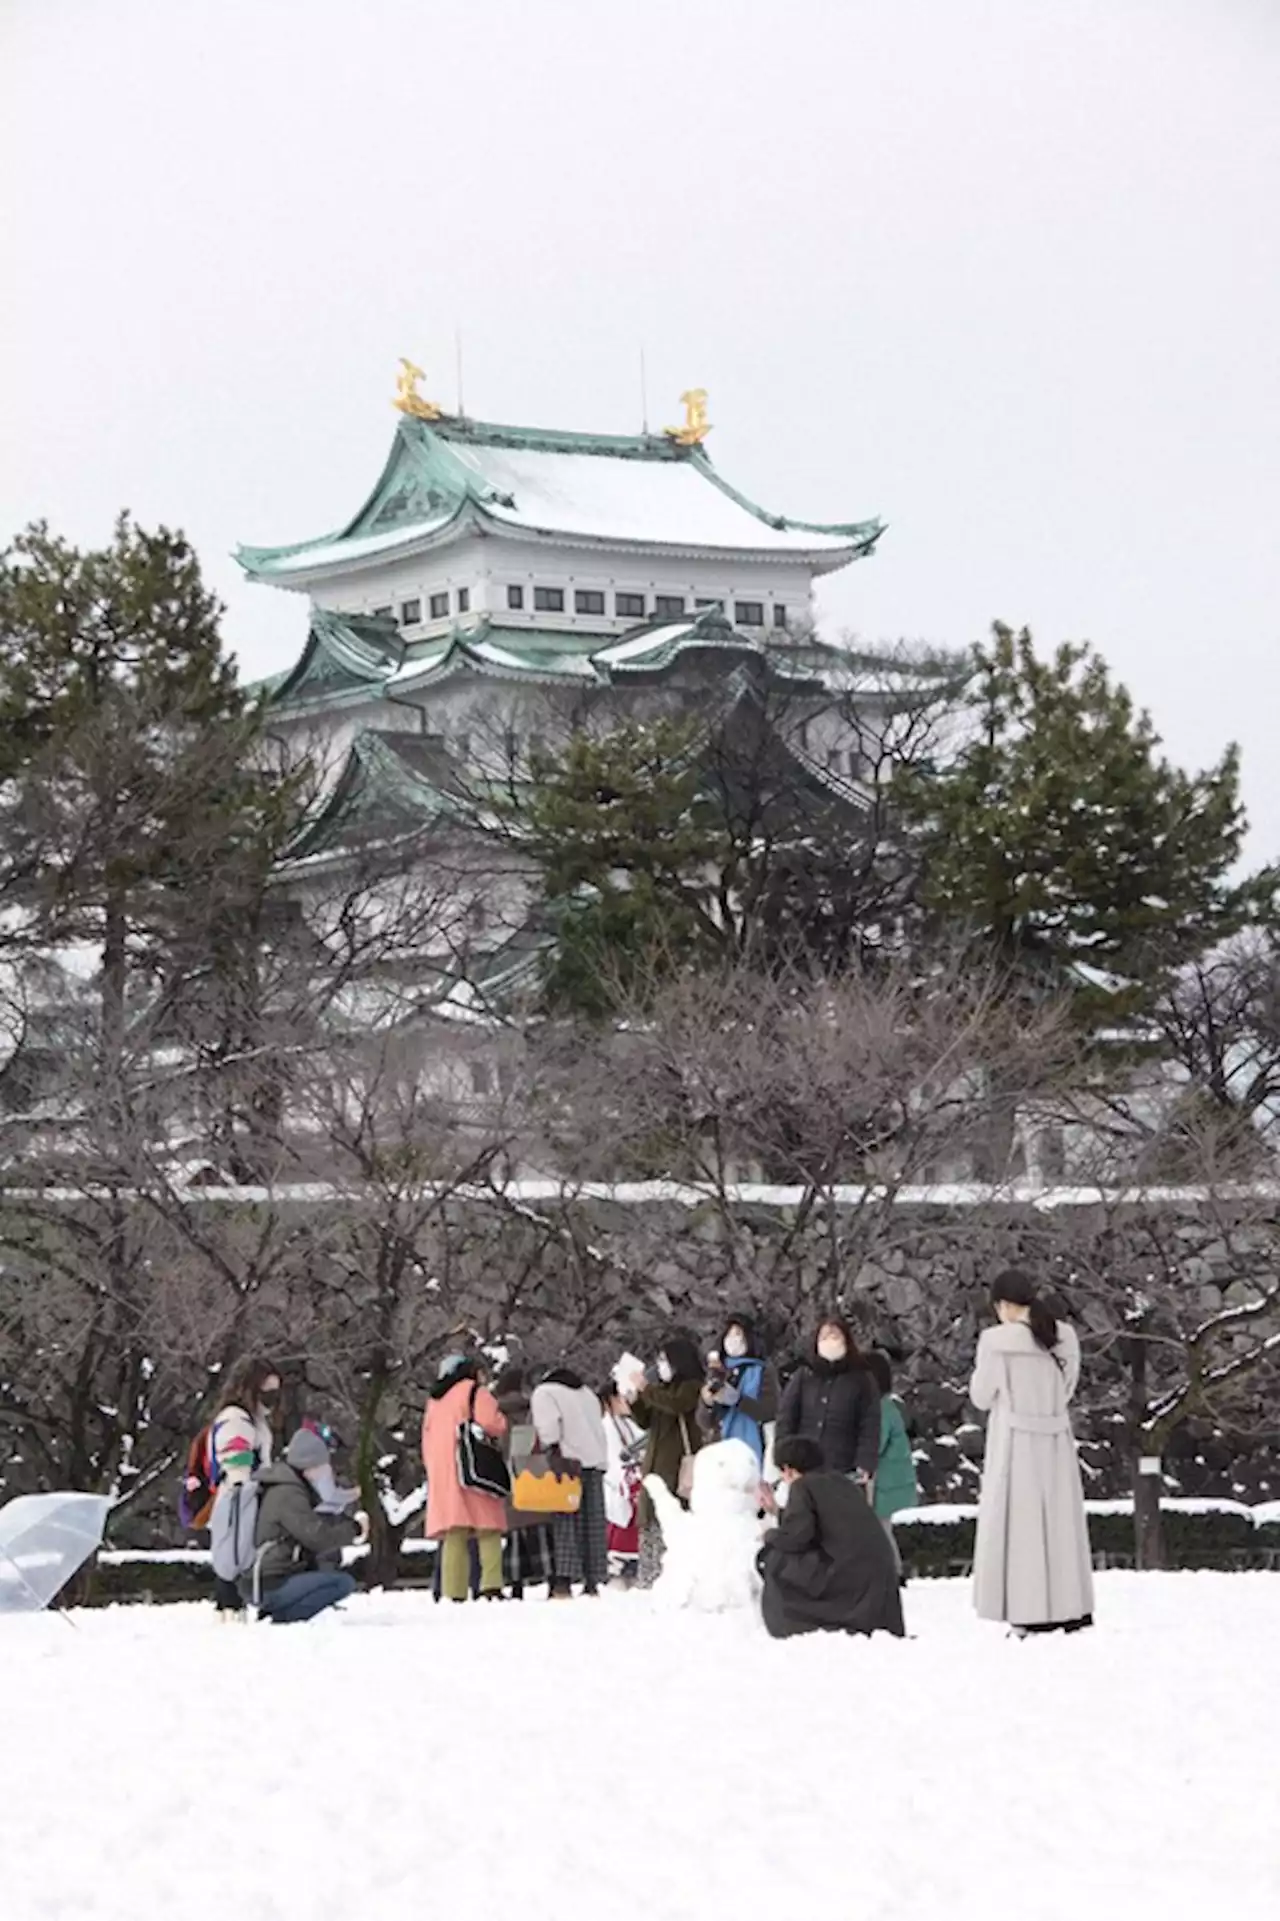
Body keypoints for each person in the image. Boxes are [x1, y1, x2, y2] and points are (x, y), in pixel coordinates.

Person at [970, 1269, 1094, 1635]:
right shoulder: (1064, 1336)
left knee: (1020, 1530)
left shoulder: (996, 1341)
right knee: (1060, 1527)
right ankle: (1070, 1608)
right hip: (1055, 1437)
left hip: (1015, 1440)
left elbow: (981, 1395)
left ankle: (1027, 1611)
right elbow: (1068, 1387)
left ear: (1004, 1305)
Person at [758, 1436, 905, 1640]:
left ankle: (795, 1622)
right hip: (880, 1581)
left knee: (776, 1559)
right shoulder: (841, 1482)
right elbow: (820, 1524)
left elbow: (796, 1538)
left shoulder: (803, 1486)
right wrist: (776, 1510)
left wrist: (769, 1536)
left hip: (850, 1578)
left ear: (789, 1469)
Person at [251, 1427, 364, 1624]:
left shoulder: (286, 1486)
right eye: (323, 1466)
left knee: (325, 1575)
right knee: (342, 1583)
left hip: (269, 1575)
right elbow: (318, 1538)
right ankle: (284, 1618)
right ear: (309, 1466)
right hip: (270, 1582)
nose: (326, 1473)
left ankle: (279, 1613)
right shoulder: (289, 1495)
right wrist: (354, 1530)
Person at [422, 1353, 508, 1602]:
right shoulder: (474, 1392)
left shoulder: (434, 1400)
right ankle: (490, 1586)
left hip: (444, 1471)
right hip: (473, 1466)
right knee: (488, 1528)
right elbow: (493, 1423)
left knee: (454, 1533)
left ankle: (454, 1592)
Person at [628, 1334, 704, 1590]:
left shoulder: (692, 1387)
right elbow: (646, 1421)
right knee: (650, 1521)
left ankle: (669, 1579)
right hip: (655, 1462)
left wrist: (646, 1390)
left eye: (664, 1359)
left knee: (672, 1517)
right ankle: (648, 1576)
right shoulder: (660, 1390)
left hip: (677, 1465)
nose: (660, 1365)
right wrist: (636, 1400)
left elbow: (676, 1405)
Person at [774, 1314, 881, 1494]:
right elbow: (786, 1417)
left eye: (835, 1336)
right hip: (803, 1469)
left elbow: (870, 1424)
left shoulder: (862, 1379)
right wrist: (783, 1458)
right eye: (824, 1337)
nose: (829, 1341)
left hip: (844, 1470)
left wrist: (864, 1464)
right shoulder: (804, 1375)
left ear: (846, 1341)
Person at [210, 1357, 281, 1618]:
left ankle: (232, 1609)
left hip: (245, 1495)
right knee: (234, 1556)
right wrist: (250, 1476)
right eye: (267, 1392)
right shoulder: (236, 1419)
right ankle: (229, 1610)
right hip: (239, 1497)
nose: (273, 1399)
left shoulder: (251, 1419)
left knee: (237, 1554)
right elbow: (235, 1460)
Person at [530, 1366, 610, 1598]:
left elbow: (549, 1431)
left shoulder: (545, 1392)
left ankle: (562, 1582)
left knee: (564, 1524)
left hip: (565, 1464)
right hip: (594, 1462)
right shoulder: (587, 1394)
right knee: (592, 1525)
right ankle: (592, 1581)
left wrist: (548, 1445)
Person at [494, 1364, 552, 1600]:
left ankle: (516, 1584)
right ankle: (551, 1578)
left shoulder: (498, 1414)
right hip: (534, 1471)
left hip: (509, 1474)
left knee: (515, 1531)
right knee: (539, 1529)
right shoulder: (533, 1410)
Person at [695, 1312, 780, 1468]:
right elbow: (704, 1422)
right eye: (730, 1334)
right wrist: (707, 1403)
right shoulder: (718, 1370)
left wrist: (738, 1400)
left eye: (738, 1334)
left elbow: (770, 1411)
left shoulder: (763, 1370)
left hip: (753, 1447)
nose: (733, 1339)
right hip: (720, 1450)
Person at [865, 1350, 918, 1577]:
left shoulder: (881, 1409)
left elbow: (874, 1445)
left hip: (886, 1484)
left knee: (881, 1530)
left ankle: (893, 1574)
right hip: (892, 1482)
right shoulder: (885, 1405)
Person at [600, 1383, 643, 1579]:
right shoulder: (605, 1425)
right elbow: (611, 1458)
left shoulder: (627, 1424)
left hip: (632, 1476)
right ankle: (619, 1559)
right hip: (618, 1479)